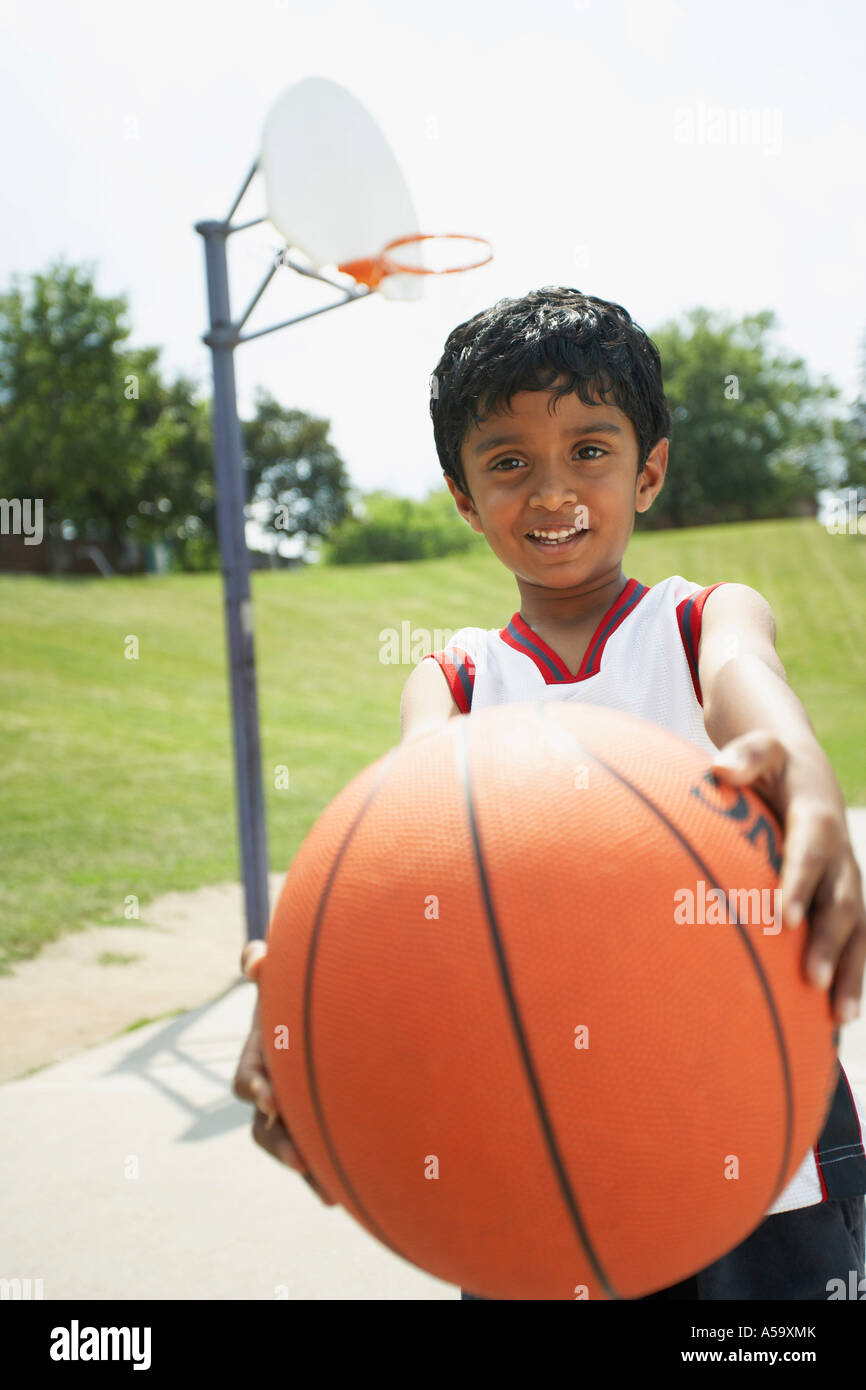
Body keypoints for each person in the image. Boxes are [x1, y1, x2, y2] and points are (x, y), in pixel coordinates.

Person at [233, 286, 866, 1300]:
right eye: (507, 462)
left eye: (588, 449)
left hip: (756, 1149)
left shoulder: (700, 623)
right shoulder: (455, 680)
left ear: (647, 469)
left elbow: (756, 697)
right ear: (462, 496)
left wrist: (804, 773)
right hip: (535, 1159)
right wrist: (310, 1002)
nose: (550, 489)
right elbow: (401, 847)